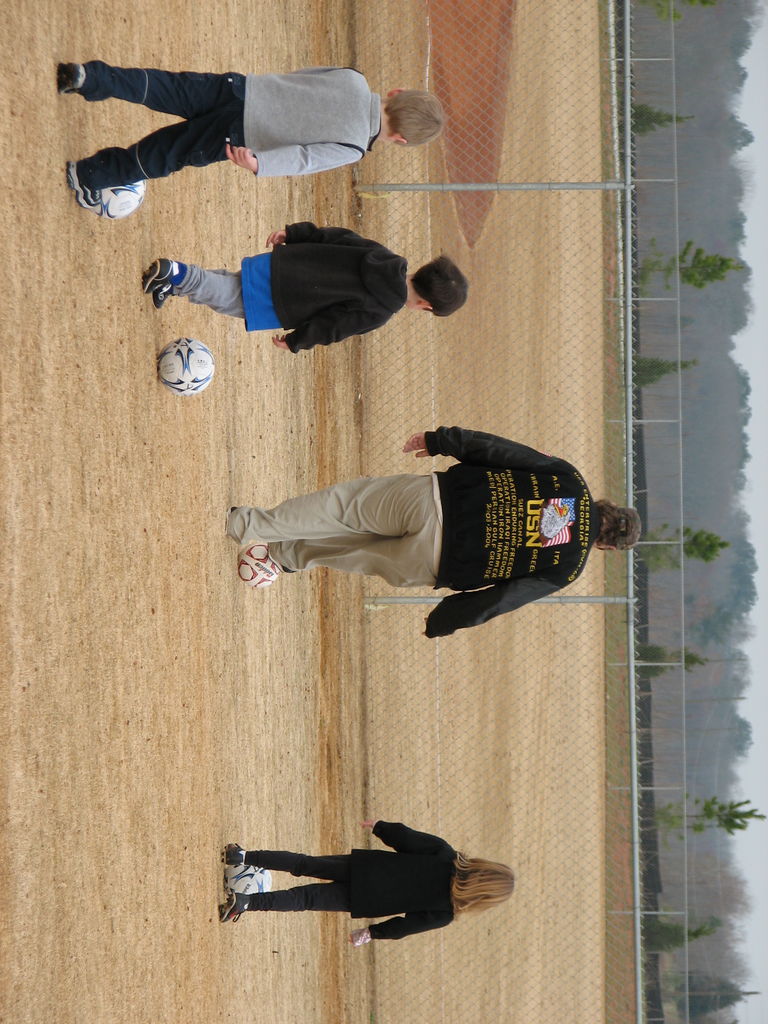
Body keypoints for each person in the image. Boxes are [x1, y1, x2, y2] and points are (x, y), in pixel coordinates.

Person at [226, 425, 642, 636]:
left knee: (343, 509)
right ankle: (283, 558)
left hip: (433, 500)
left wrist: (445, 439)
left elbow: (502, 451)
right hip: (434, 564)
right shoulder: (569, 569)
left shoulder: (570, 480)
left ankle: (248, 525)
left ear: (608, 505)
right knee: (355, 552)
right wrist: (447, 618)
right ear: (606, 547)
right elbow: (504, 599)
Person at [57, 61, 444, 213]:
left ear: (395, 93)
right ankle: (89, 175)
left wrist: (267, 91)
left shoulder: (355, 77)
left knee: (163, 86)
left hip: (238, 90)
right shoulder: (354, 147)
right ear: (400, 141)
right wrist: (261, 163)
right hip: (240, 134)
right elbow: (306, 158)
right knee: (165, 154)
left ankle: (91, 78)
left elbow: (303, 77)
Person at [140, 223, 468, 352]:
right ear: (426, 305)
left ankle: (174, 286)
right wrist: (297, 341)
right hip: (282, 298)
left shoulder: (386, 257)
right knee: (228, 298)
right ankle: (177, 274)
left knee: (231, 284)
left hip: (282, 265)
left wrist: (295, 234)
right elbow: (333, 326)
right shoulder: (381, 310)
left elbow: (339, 237)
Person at [219, 819, 515, 944]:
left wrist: (381, 827)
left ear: (482, 867)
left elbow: (408, 838)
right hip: (363, 900)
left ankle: (242, 857)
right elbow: (405, 926)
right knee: (305, 899)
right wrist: (371, 933)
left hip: (362, 867)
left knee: (303, 863)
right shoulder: (446, 913)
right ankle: (245, 902)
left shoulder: (445, 855)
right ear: (482, 899)